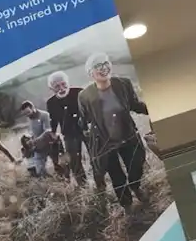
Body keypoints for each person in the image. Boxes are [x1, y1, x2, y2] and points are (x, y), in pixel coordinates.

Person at [77, 51, 149, 207]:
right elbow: (84, 120)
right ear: (91, 73)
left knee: (137, 164)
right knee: (117, 177)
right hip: (105, 143)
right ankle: (127, 206)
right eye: (98, 66)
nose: (104, 68)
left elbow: (134, 105)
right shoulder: (85, 96)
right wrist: (83, 129)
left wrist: (153, 109)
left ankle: (135, 186)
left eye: (106, 63)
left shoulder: (123, 84)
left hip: (128, 135)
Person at [45, 71, 86, 186]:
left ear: (68, 82)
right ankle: (83, 185)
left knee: (97, 156)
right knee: (74, 162)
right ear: (51, 88)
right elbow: (53, 120)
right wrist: (53, 133)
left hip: (85, 129)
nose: (61, 88)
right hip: (69, 133)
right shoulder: (51, 103)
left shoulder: (79, 92)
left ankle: (100, 185)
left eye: (63, 84)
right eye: (57, 86)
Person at [20, 99, 52, 176]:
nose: (27, 115)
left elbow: (48, 130)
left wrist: (35, 140)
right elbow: (32, 132)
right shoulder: (29, 119)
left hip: (50, 143)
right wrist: (28, 140)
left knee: (59, 166)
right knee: (40, 172)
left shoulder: (44, 115)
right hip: (39, 147)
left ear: (33, 108)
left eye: (28, 112)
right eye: (25, 114)